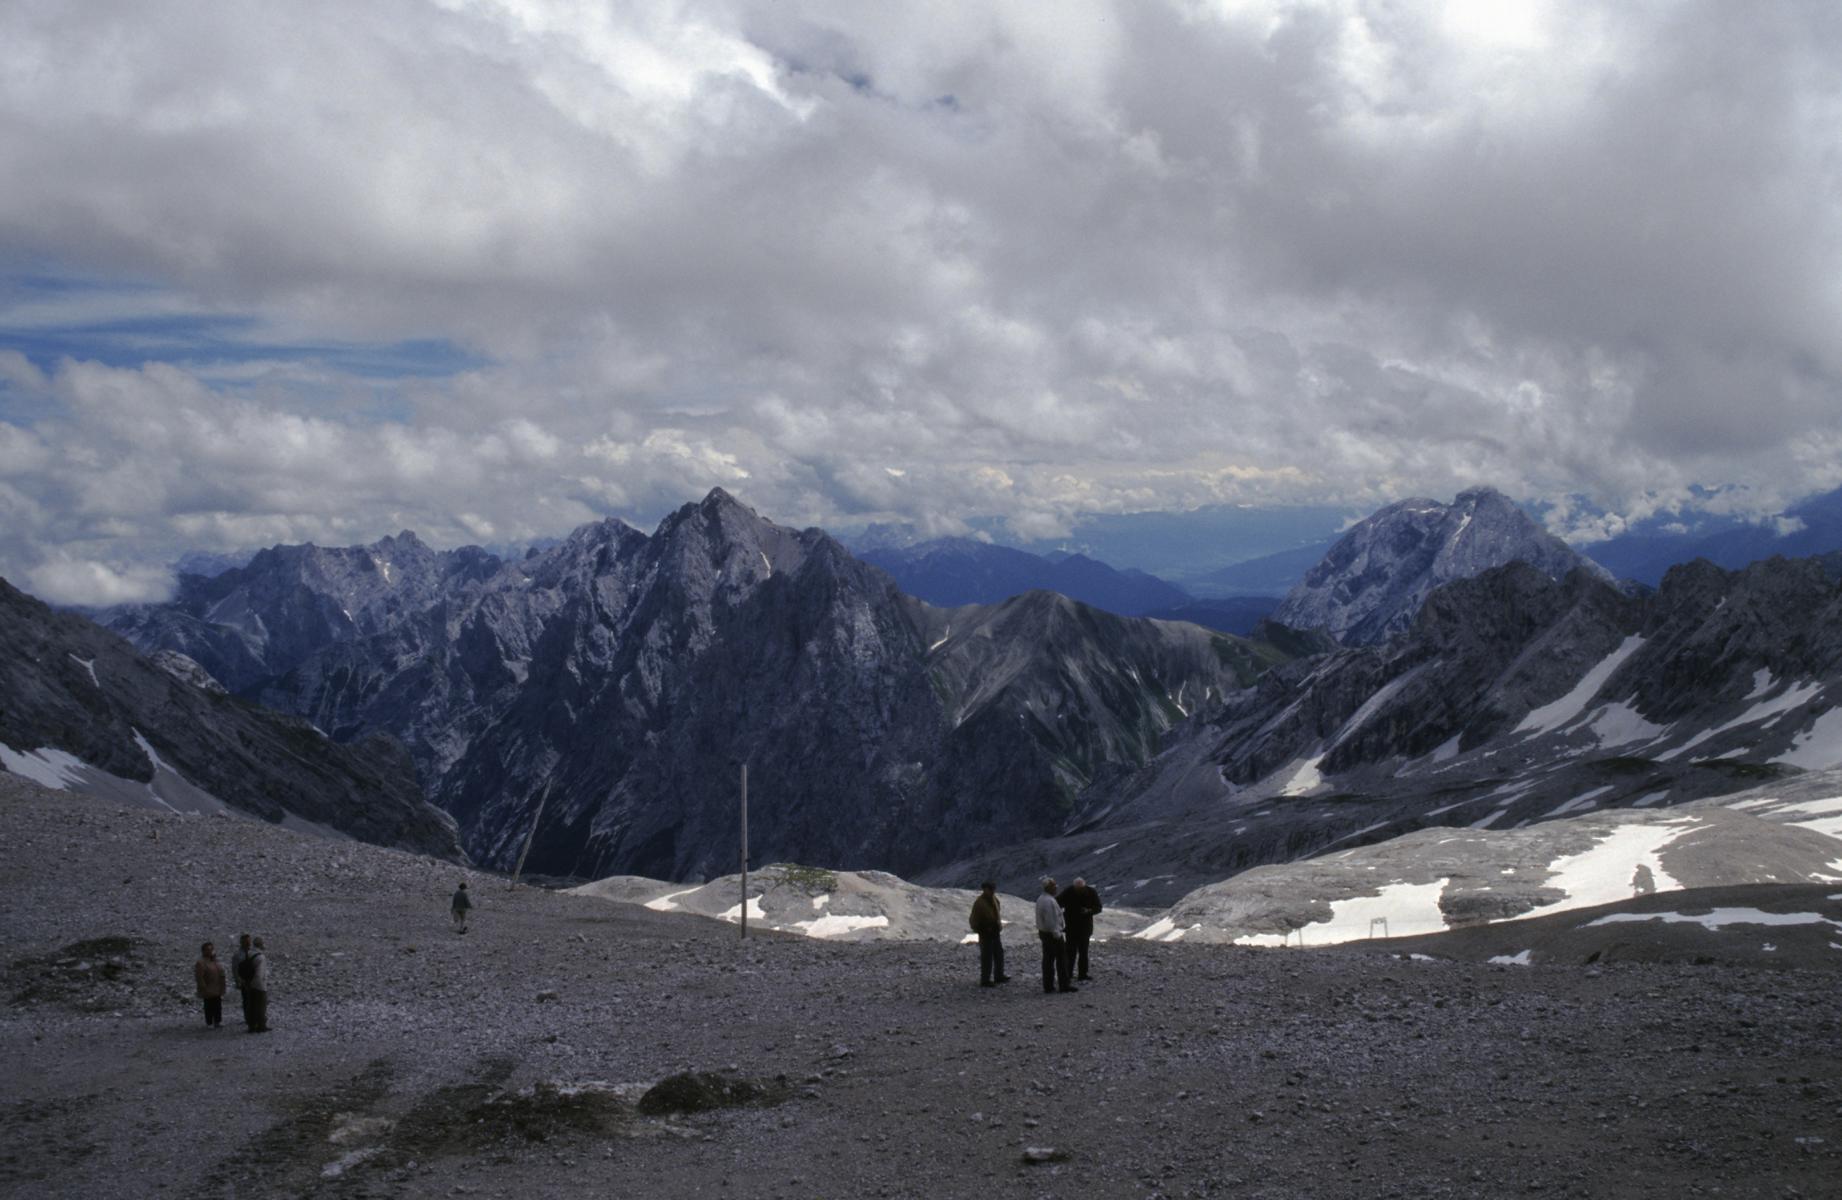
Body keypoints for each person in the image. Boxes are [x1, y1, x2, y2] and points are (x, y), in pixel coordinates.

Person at [1056, 876, 1104, 981]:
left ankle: (1082, 974)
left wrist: (1088, 911)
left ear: (1084, 886)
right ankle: (1069, 974)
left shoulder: (1090, 892)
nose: (1079, 890)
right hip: (1072, 928)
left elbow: (1098, 907)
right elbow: (1057, 903)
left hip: (1083, 928)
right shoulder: (1069, 891)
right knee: (1070, 952)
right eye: (1077, 889)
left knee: (1083, 952)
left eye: (1080, 889)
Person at [1035, 878, 1074, 994]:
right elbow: (1051, 920)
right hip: (1053, 934)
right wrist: (1057, 933)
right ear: (1049, 888)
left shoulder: (1041, 899)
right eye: (1054, 886)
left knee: (1048, 960)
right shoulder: (1049, 902)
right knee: (1061, 960)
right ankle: (1064, 985)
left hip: (1044, 933)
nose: (1056, 888)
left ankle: (1048, 985)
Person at [968, 881, 1010, 988]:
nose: (992, 891)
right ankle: (985, 979)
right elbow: (974, 921)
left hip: (995, 932)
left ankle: (999, 975)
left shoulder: (995, 900)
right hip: (985, 934)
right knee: (987, 956)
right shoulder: (979, 903)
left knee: (998, 954)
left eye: (992, 889)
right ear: (984, 889)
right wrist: (982, 929)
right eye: (990, 889)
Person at [193, 942, 225, 1028]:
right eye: (208, 950)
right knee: (209, 1005)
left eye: (211, 949)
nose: (210, 951)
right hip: (208, 988)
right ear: (203, 951)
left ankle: (218, 1021)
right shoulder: (201, 962)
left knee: (217, 1005)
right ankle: (209, 1022)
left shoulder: (214, 961)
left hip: (217, 987)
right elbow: (199, 977)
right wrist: (203, 987)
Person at [230, 933, 256, 1030]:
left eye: (249, 941)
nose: (248, 943)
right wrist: (238, 981)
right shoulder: (238, 955)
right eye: (246, 941)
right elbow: (235, 969)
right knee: (246, 999)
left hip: (254, 980)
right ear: (241, 942)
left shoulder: (253, 952)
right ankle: (247, 1017)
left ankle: (253, 1016)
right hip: (244, 981)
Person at [245, 936, 270, 1033]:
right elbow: (259, 974)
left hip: (249, 984)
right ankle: (261, 1025)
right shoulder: (261, 957)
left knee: (251, 1005)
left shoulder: (249, 954)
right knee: (261, 1006)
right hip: (259, 985)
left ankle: (251, 1025)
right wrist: (260, 985)